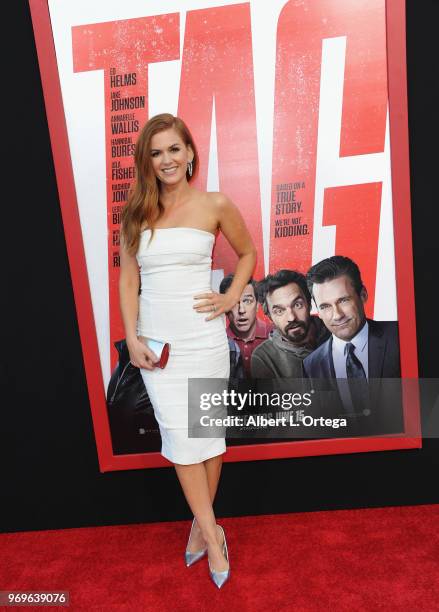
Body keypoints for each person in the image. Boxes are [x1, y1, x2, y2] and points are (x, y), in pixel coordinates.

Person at [119, 113, 256, 589]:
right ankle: (214, 535)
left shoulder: (215, 203)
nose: (166, 159)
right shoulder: (135, 213)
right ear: (147, 162)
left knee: (208, 437)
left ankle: (203, 526)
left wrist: (230, 296)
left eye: (173, 149)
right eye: (156, 153)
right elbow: (128, 278)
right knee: (182, 440)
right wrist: (132, 337)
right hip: (159, 348)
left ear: (190, 152)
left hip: (204, 342)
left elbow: (248, 254)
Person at [303, 256, 401, 433]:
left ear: (363, 295)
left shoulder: (400, 337)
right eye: (325, 306)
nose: (337, 315)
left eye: (343, 300)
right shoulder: (311, 365)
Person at [251, 269, 328, 379]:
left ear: (309, 304)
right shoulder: (264, 357)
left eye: (297, 305)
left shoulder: (336, 334)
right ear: (270, 317)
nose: (291, 318)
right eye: (279, 311)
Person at [219, 274, 272, 378]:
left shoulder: (275, 336)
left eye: (247, 301)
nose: (241, 310)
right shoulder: (219, 342)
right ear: (225, 308)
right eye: (233, 303)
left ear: (257, 305)